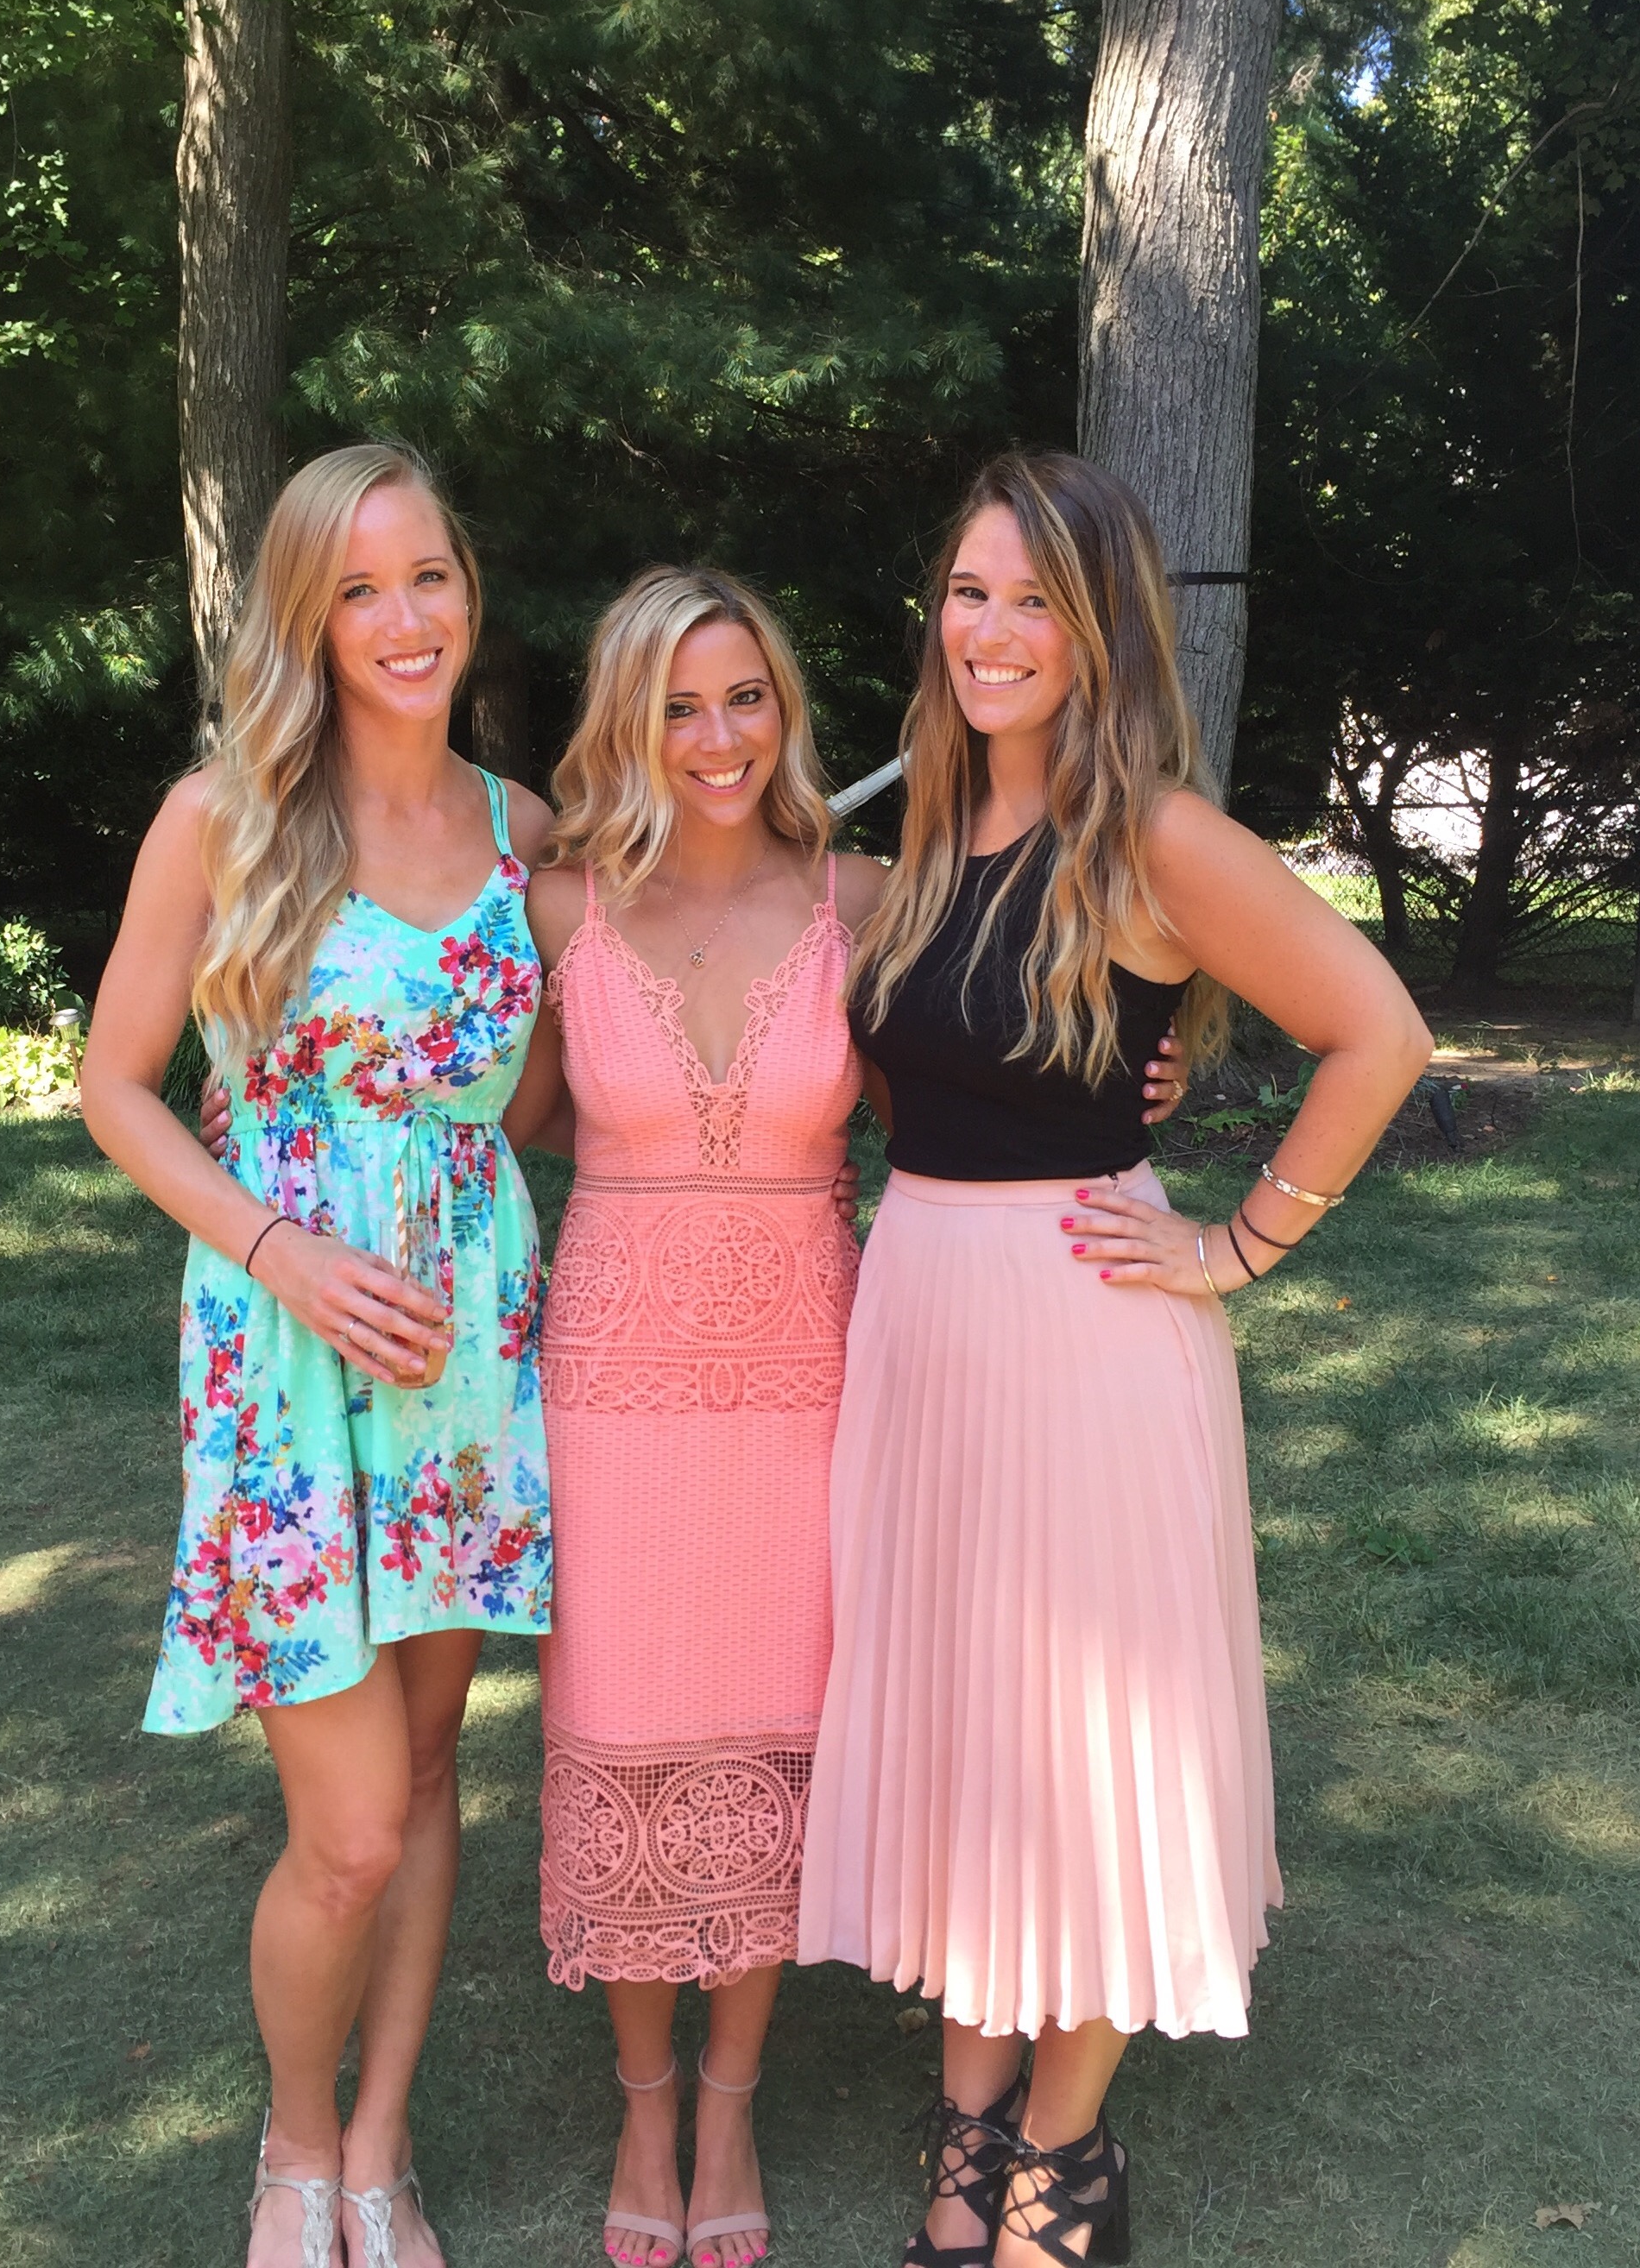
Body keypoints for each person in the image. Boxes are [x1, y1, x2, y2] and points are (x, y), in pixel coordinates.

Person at [795, 450, 1434, 2268]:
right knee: (970, 1728)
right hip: (923, 1323)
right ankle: (966, 2115)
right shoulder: (927, 835)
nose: (991, 631)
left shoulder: (1153, 834)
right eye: (968, 592)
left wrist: (1236, 1243)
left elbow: (1379, 1031)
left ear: (1100, 631)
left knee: (1078, 1749)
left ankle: (1060, 2149)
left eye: (1034, 601)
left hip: (1087, 1335)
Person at [81, 443, 553, 2268]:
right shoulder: (224, 818)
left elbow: (574, 1065)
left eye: (427, 575)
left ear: (467, 588)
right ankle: (290, 2145)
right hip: (282, 1361)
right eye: (359, 589)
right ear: (306, 618)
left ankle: (379, 2143)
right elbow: (118, 1088)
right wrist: (281, 1243)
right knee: (349, 1826)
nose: (404, 618)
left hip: (461, 1359)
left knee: (428, 1776)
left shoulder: (523, 830)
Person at [506, 568, 883, 2268]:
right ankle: (643, 2101)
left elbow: (966, 1089)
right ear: (626, 721)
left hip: (810, 1376)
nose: (716, 736)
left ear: (784, 711)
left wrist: (1138, 1077)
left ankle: (729, 2099)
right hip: (612, 1383)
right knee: (626, 1712)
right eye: (677, 704)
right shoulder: (559, 906)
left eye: (745, 697)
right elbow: (500, 1109)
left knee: (773, 1722)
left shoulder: (865, 896)